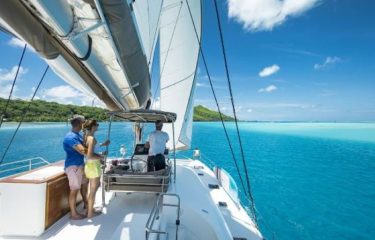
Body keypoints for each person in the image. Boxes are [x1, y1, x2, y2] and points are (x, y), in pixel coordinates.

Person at [82, 119, 110, 218]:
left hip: (88, 166)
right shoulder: (92, 139)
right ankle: (90, 213)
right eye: (97, 124)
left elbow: (90, 150)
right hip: (93, 166)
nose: (98, 126)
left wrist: (103, 145)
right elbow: (90, 155)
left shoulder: (86, 137)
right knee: (93, 190)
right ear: (93, 127)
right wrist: (102, 157)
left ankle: (90, 209)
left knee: (92, 189)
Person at [63, 114, 88, 220]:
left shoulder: (77, 135)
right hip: (73, 167)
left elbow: (85, 146)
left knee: (84, 185)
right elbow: (83, 151)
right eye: (84, 123)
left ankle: (86, 204)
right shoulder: (71, 137)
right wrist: (96, 154)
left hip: (80, 165)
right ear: (79, 124)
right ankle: (74, 214)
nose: (85, 124)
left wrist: (86, 134)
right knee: (74, 190)